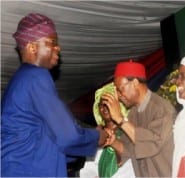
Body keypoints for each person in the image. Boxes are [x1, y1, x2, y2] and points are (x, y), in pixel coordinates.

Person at [1, 13, 107, 177]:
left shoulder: (21, 81)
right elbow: (68, 137)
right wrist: (97, 137)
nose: (58, 47)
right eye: (52, 42)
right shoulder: (36, 76)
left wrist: (89, 137)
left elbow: (53, 140)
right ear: (32, 47)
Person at [101, 60, 177, 177]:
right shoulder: (132, 114)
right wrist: (113, 142)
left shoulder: (162, 109)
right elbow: (130, 150)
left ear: (135, 83)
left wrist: (121, 119)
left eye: (120, 89)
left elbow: (152, 143)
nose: (119, 96)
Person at [80, 82, 134, 178]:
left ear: (118, 106)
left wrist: (115, 143)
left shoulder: (129, 132)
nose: (104, 107)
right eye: (101, 104)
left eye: (108, 103)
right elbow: (89, 168)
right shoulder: (96, 135)